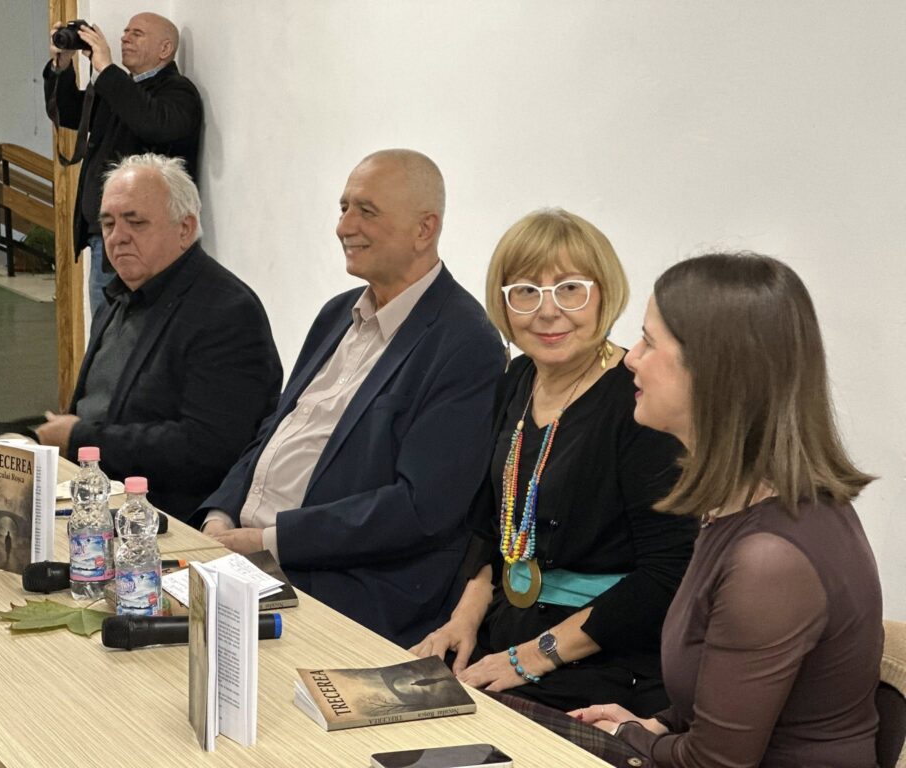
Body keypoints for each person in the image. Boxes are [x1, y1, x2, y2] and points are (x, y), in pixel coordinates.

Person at [573, 253, 882, 766]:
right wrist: (656, 724)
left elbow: (715, 763)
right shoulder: (745, 505)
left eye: (649, 341)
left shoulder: (769, 559)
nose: (631, 357)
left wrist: (630, 735)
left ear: (713, 370)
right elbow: (718, 690)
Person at [196, 149, 504, 648]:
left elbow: (419, 509)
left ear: (424, 230)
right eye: (343, 207)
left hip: (338, 585)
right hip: (245, 554)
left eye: (366, 211)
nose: (344, 226)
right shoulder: (336, 314)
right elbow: (275, 432)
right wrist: (221, 517)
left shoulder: (466, 343)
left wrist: (267, 542)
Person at [411, 208, 697, 716]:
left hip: (604, 661)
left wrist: (531, 658)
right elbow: (490, 526)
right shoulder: (517, 379)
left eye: (570, 289)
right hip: (507, 635)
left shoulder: (639, 403)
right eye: (525, 291)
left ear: (604, 293)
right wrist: (463, 621)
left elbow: (667, 575)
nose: (547, 311)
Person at [36, 154, 282, 525]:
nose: (117, 237)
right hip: (93, 502)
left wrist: (82, 438)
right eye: (108, 223)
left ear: (185, 229)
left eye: (135, 222)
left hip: (170, 521)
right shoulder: (119, 298)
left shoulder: (226, 311)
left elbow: (208, 448)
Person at [44, 12, 203, 315]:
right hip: (108, 235)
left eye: (137, 34)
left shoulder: (178, 92)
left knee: (130, 331)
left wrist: (106, 69)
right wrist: (61, 68)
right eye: (126, 32)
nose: (124, 38)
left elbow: (153, 124)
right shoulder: (122, 89)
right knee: (108, 331)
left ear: (165, 49)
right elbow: (69, 113)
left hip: (143, 239)